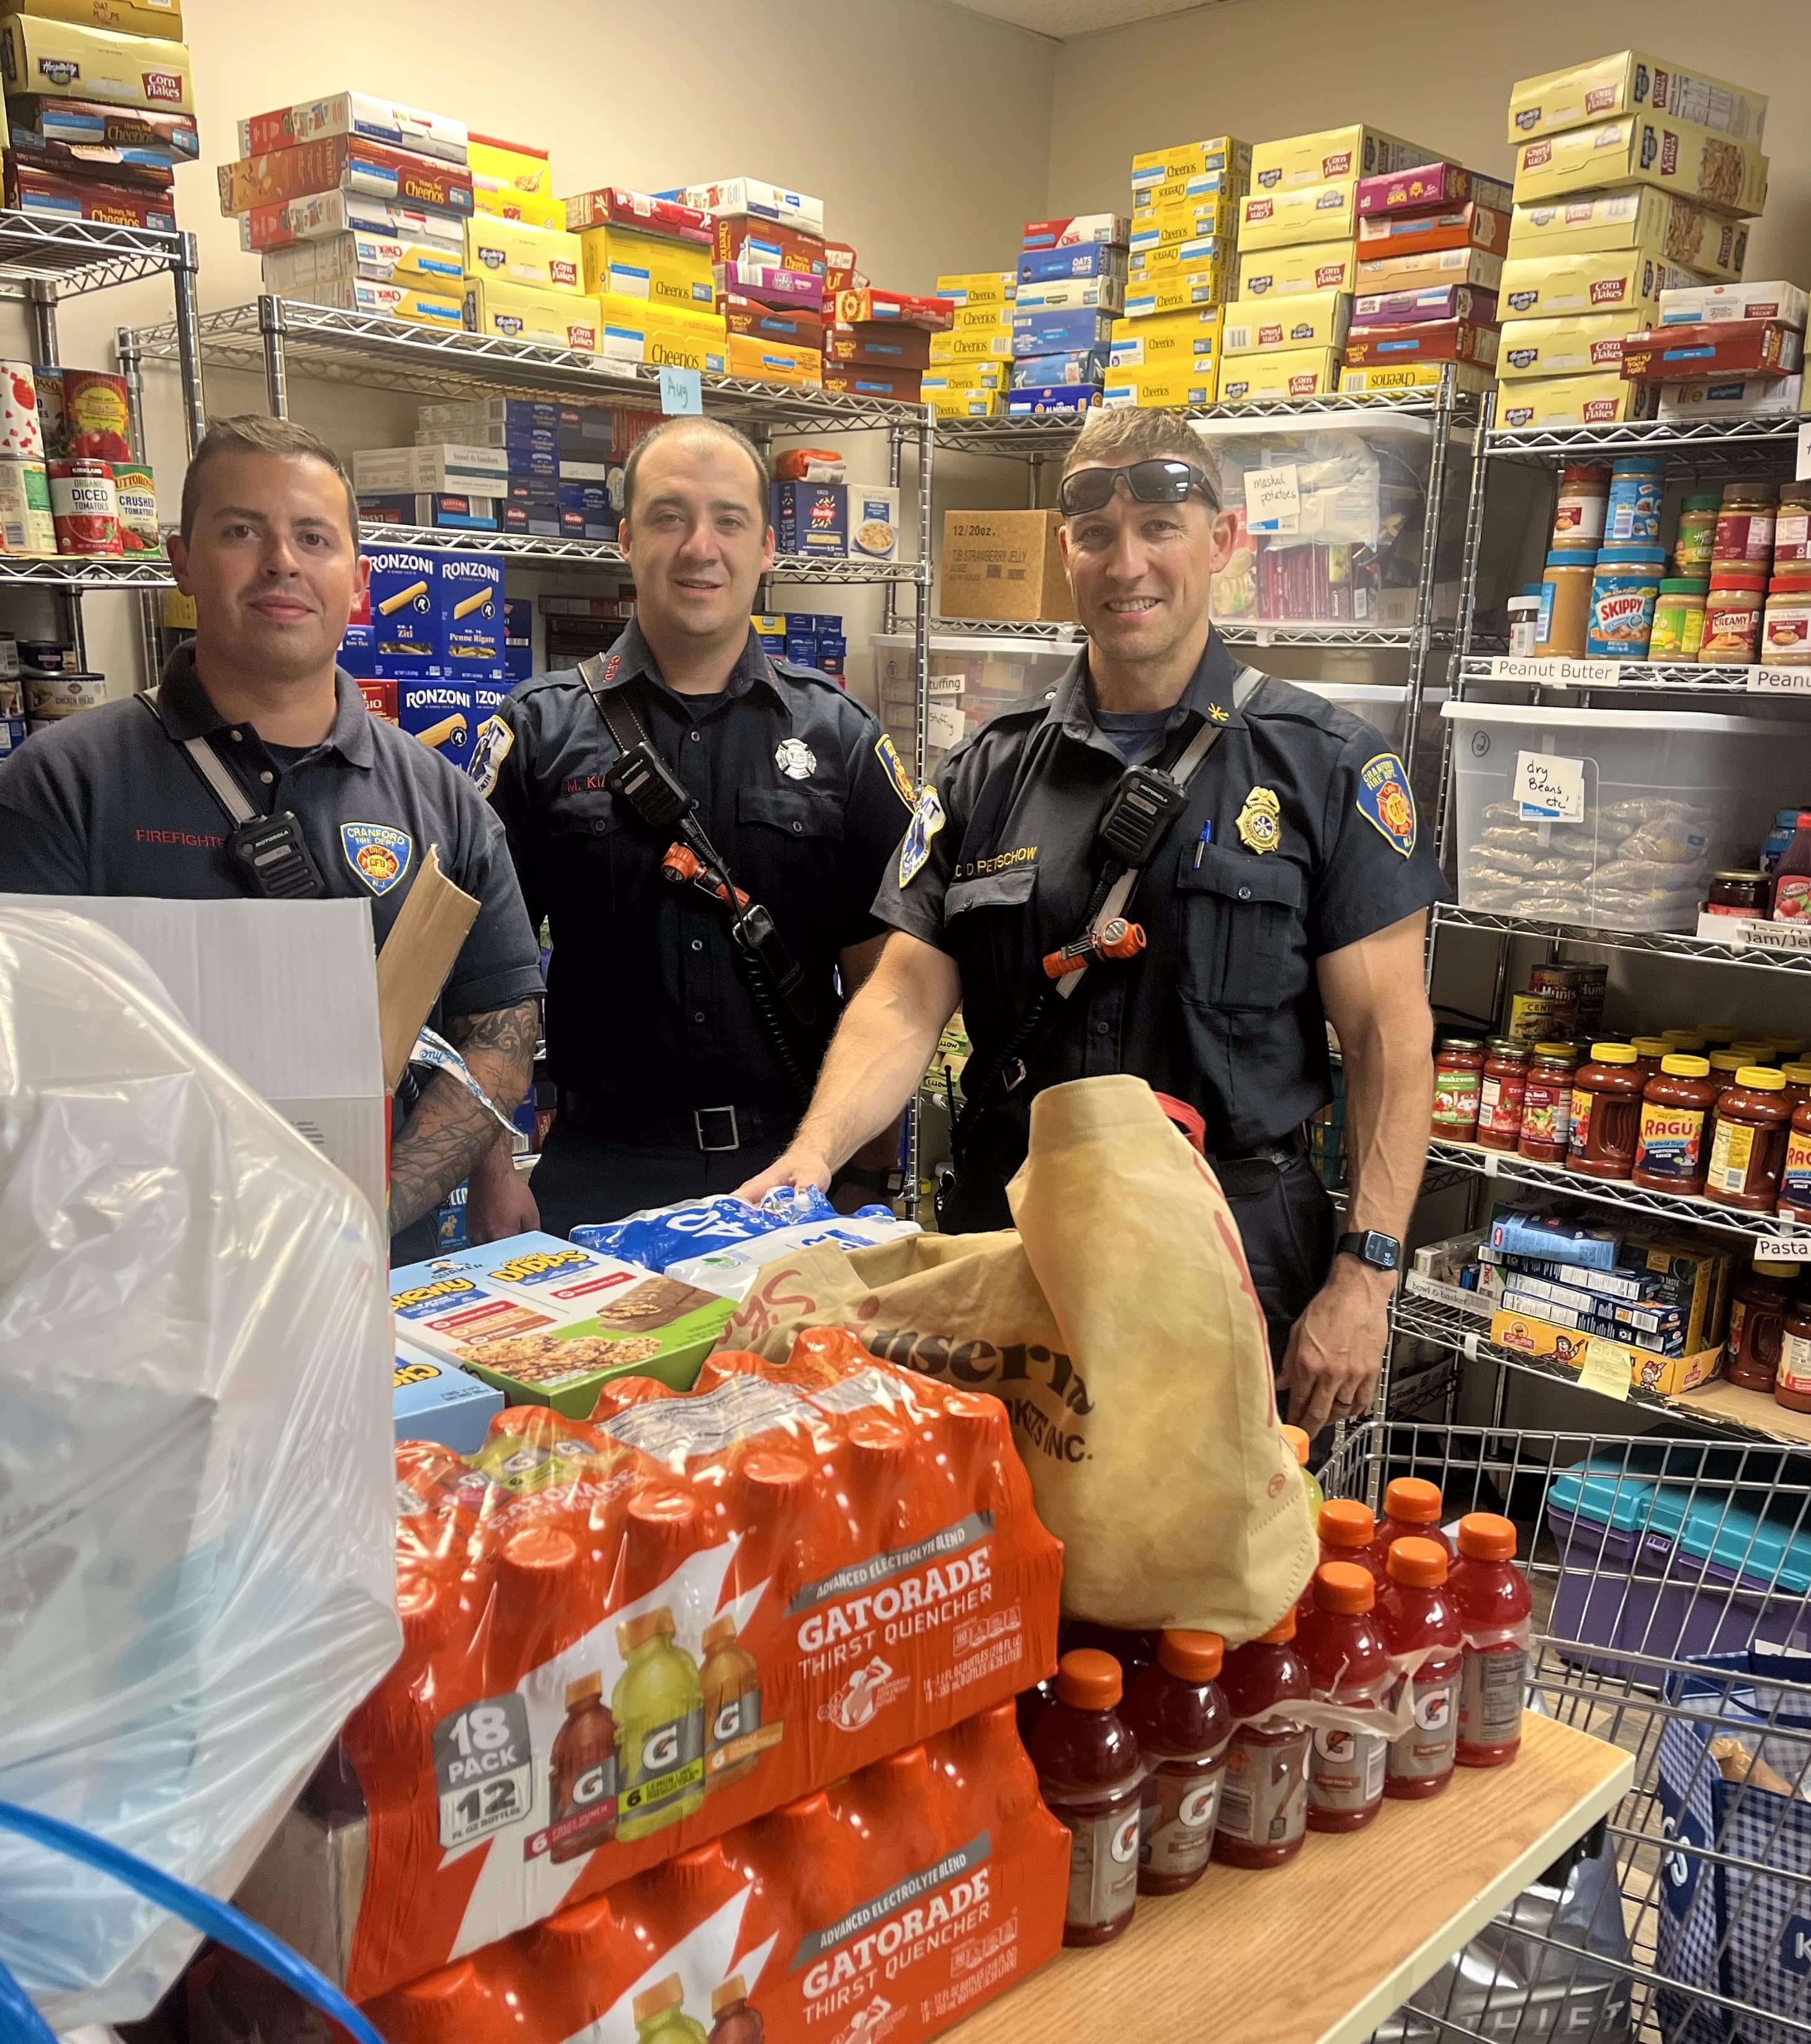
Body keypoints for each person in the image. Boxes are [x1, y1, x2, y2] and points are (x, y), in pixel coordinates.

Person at [741, 404, 1444, 1435]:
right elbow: (901, 995)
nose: (1130, 565)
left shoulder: (1327, 767)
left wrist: (1368, 1276)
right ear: (1066, 552)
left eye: (1160, 528)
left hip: (1233, 1247)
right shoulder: (988, 770)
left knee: (1213, 1578)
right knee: (1006, 1562)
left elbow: (1390, 1041)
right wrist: (815, 1154)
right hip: (1015, 1238)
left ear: (1225, 542)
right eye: (1099, 534)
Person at [0, 411, 543, 1259]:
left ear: (358, 580)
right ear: (181, 560)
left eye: (313, 538)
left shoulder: (444, 800)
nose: (282, 561)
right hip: (123, 1285)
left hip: (370, 1275)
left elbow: (501, 1028)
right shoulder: (60, 787)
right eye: (242, 531)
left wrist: (370, 1205)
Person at [486, 414, 913, 1235]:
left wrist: (867, 1175)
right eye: (669, 516)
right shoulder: (538, 732)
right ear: (625, 540)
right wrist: (495, 1165)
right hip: (598, 1172)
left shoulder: (842, 739)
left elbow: (885, 986)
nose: (699, 546)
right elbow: (487, 983)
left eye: (729, 520)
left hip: (794, 1172)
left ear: (767, 548)